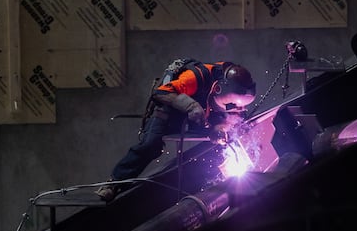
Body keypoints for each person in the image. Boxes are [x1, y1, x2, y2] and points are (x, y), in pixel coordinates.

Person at [96, 60, 257, 202]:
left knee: (224, 140)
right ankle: (114, 183)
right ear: (218, 89)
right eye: (233, 106)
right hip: (171, 106)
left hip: (202, 111)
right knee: (151, 145)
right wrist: (191, 106)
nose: (238, 109)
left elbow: (232, 119)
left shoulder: (234, 90)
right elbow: (162, 91)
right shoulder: (196, 76)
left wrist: (219, 128)